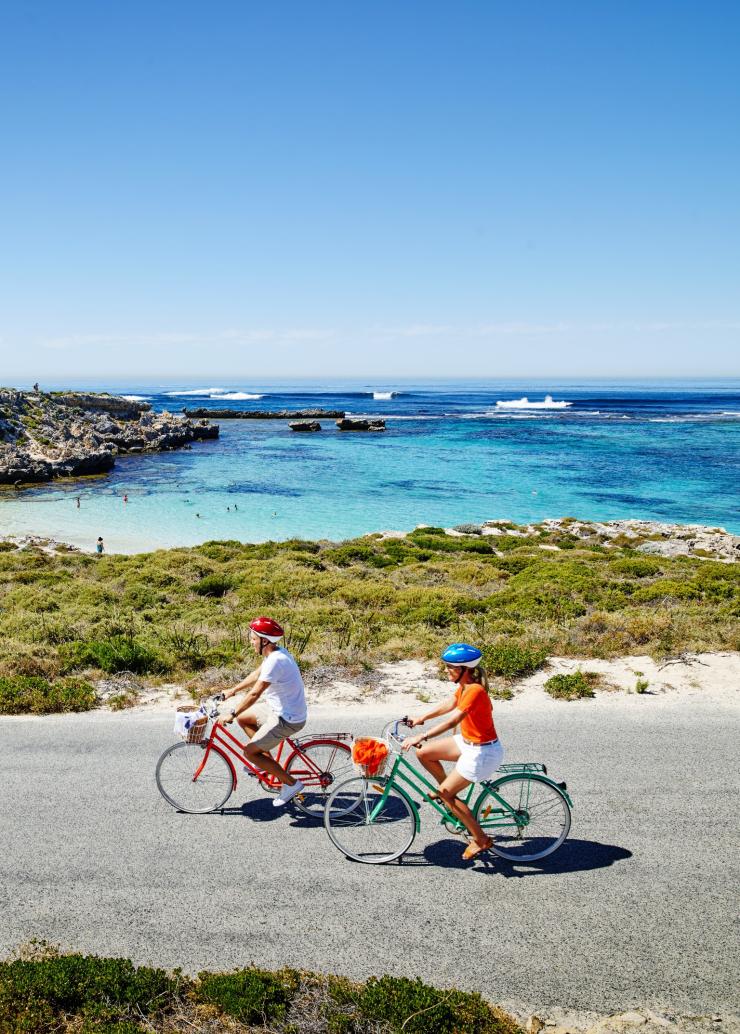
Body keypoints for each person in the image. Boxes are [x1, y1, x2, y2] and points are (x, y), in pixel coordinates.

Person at [402, 643, 504, 860]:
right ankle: (449, 794)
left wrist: (422, 735)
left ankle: (481, 839)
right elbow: (450, 703)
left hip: (482, 752)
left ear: (464, 670)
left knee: (445, 794)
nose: (446, 670)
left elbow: (453, 720)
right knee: (424, 753)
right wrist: (422, 718)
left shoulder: (475, 690)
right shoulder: (466, 686)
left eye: (450, 667)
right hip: (469, 742)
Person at [221, 617, 307, 807]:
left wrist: (232, 713)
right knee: (245, 719)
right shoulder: (275, 654)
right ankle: (266, 763)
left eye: (253, 639)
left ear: (264, 641)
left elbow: (254, 693)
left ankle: (291, 784)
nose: (251, 642)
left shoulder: (276, 661)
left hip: (288, 718)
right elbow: (255, 675)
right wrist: (232, 691)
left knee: (249, 752)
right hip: (278, 709)